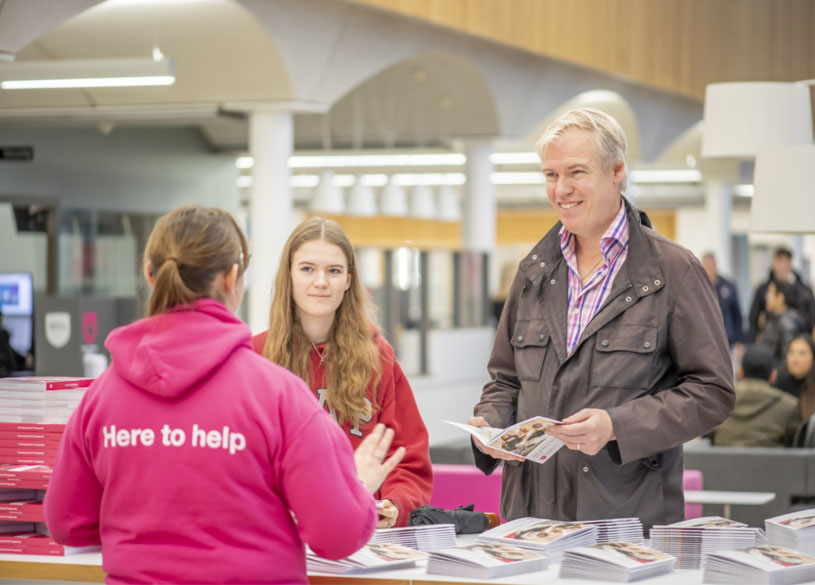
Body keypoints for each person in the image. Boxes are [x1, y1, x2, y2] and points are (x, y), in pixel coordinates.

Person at [43, 205, 404, 585]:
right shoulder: (278, 395)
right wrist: (358, 488)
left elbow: (66, 524)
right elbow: (337, 535)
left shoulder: (101, 398)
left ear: (150, 274)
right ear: (233, 277)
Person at [468, 108, 735, 530]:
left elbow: (713, 392)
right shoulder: (533, 272)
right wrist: (493, 425)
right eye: (550, 175)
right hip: (531, 521)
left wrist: (618, 426)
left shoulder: (673, 272)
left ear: (616, 171)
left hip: (626, 521)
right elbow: (505, 380)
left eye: (576, 172)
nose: (561, 189)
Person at [253, 216, 432, 528]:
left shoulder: (378, 358)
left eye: (333, 271)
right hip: (278, 533)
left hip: (359, 532)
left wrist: (392, 507)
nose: (321, 281)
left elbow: (407, 461)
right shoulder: (255, 357)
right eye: (307, 269)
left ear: (348, 280)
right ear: (290, 275)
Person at [711, 344, 800, 448]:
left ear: (740, 373)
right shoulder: (790, 406)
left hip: (722, 463)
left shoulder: (718, 401)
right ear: (773, 376)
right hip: (770, 464)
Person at [746, 247, 815, 342]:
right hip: (770, 337)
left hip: (800, 338)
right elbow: (753, 318)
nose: (780, 265)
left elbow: (814, 316)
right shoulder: (764, 288)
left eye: (783, 261)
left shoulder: (804, 290)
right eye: (778, 260)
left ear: (790, 263)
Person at [774, 334, 815, 423]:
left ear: (813, 358)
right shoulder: (781, 380)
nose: (795, 359)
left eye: (802, 353)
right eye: (791, 352)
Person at [757, 279, 810, 364]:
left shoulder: (788, 324)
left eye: (770, 292)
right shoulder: (773, 319)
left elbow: (787, 360)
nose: (766, 297)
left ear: (780, 298)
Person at [701, 252, 744, 351]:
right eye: (705, 265)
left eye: (710, 265)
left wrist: (739, 341)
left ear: (715, 265)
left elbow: (737, 314)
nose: (708, 269)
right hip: (706, 339)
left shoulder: (728, 286)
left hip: (727, 338)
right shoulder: (697, 288)